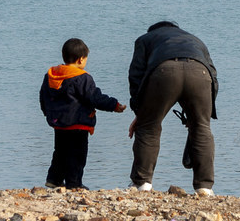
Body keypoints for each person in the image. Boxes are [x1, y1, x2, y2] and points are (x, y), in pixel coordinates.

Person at [127, 21, 218, 195]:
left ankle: (142, 184)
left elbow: (136, 76)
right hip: (201, 73)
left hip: (163, 72)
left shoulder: (145, 39)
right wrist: (205, 112)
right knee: (201, 127)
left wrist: (140, 111)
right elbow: (213, 74)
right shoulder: (195, 40)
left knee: (148, 128)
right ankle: (204, 188)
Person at [39, 38, 125, 189]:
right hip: (77, 123)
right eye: (85, 59)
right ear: (81, 59)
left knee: (60, 152)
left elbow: (43, 97)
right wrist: (114, 105)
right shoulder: (82, 78)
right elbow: (95, 97)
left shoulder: (51, 75)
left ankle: (54, 179)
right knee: (77, 154)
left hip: (58, 122)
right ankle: (74, 183)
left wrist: (48, 114)